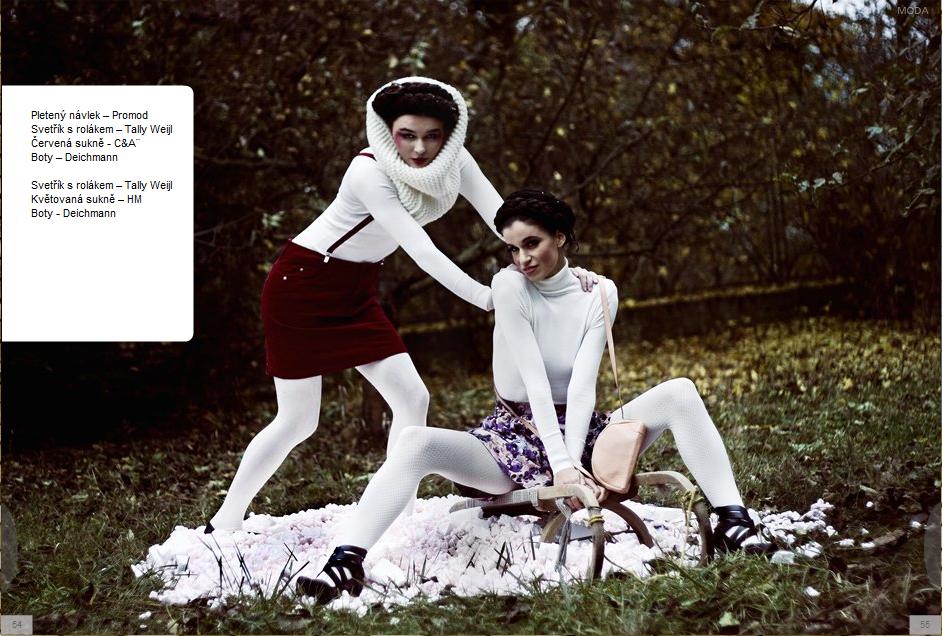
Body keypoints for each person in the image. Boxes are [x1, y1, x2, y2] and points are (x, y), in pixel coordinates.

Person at [296, 189, 773, 604]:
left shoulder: (600, 292)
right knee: (415, 442)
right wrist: (561, 465)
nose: (522, 258)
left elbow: (583, 386)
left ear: (560, 237)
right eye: (512, 248)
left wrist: (575, 459)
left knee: (680, 392)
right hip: (513, 438)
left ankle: (734, 521)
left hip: (585, 433)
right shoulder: (509, 286)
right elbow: (535, 381)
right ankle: (345, 562)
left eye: (532, 243)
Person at [204, 78, 595, 533]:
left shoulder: (456, 162)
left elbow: (506, 222)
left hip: (356, 287)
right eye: (407, 135)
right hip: (303, 283)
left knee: (412, 397)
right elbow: (421, 250)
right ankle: (224, 520)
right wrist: (490, 298)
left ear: (449, 134)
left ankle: (395, 518)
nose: (420, 148)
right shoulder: (367, 171)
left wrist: (564, 271)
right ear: (387, 131)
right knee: (297, 420)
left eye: (432, 136)